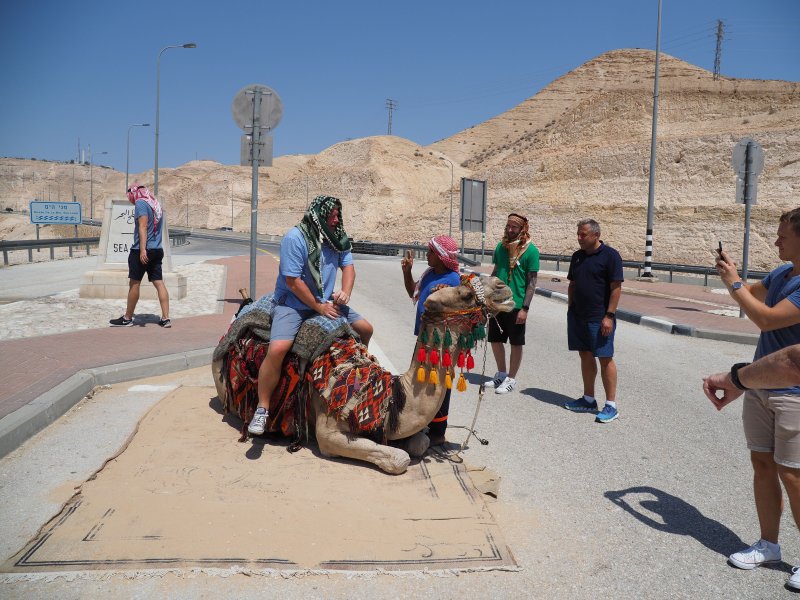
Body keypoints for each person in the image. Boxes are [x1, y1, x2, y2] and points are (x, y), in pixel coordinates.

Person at [713, 207, 800, 590]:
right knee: (762, 465)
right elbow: (750, 297)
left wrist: (734, 285)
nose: (777, 239)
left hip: (794, 392)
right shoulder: (783, 273)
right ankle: (769, 544)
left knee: (793, 475)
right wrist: (733, 276)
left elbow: (766, 318)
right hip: (761, 386)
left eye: (783, 234)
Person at [247, 195, 373, 436]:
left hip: (325, 301)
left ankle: (358, 383)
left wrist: (345, 293)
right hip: (293, 303)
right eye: (332, 215)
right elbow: (292, 281)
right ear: (319, 216)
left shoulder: (337, 238)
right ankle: (262, 408)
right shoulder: (295, 238)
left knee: (366, 329)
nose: (337, 219)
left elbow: (348, 267)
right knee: (278, 349)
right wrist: (319, 308)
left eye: (338, 214)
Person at [401, 236, 462, 446]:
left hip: (442, 344)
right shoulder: (429, 274)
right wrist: (406, 272)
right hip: (423, 339)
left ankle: (438, 432)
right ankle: (420, 421)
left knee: (440, 385)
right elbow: (413, 293)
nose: (426, 255)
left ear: (441, 257)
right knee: (420, 380)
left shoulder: (454, 280)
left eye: (430, 252)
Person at [563, 218, 623, 423]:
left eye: (583, 235)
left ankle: (611, 406)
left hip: (600, 319)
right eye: (578, 234)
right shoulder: (577, 257)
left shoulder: (611, 256)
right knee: (585, 355)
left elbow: (616, 289)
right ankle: (588, 399)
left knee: (605, 358)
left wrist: (609, 316)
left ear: (596, 235)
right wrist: (571, 308)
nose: (579, 238)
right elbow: (572, 283)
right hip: (578, 317)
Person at [487, 213, 539, 394]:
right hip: (497, 302)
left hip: (516, 305)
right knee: (495, 340)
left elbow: (532, 283)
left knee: (516, 343)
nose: (510, 230)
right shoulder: (501, 247)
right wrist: (487, 295)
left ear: (522, 229)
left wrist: (525, 308)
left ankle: (511, 378)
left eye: (514, 227)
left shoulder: (531, 251)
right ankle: (501, 373)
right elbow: (496, 271)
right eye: (508, 226)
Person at [110, 184, 170, 328]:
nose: (130, 199)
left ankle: (127, 318)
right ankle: (166, 318)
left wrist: (143, 250)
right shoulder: (155, 204)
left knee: (134, 283)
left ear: (134, 193)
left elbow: (143, 226)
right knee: (159, 282)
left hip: (141, 250)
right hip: (157, 249)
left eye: (130, 195)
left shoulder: (141, 203)